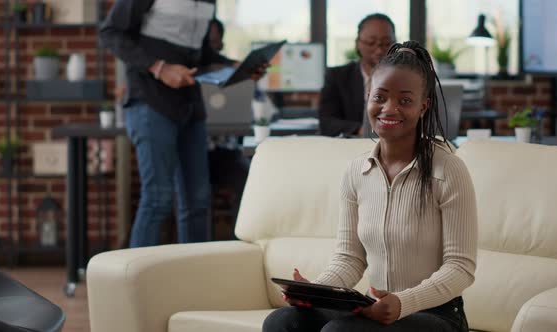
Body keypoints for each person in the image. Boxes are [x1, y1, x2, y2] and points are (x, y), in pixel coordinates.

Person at [263, 41, 478, 332]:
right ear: (368, 97)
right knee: (283, 322)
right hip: (374, 308)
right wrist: (316, 292)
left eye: (404, 100)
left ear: (423, 106)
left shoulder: (448, 169)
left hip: (436, 315)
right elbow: (349, 258)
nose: (389, 108)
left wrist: (402, 302)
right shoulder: (356, 171)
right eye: (381, 97)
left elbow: (460, 268)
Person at [100, 0, 265, 247]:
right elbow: (110, 33)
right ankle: (133, 283)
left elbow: (201, 54)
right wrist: (160, 68)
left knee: (198, 200)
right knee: (157, 198)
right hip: (150, 101)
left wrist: (236, 67)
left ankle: (192, 277)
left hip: (189, 105)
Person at [205, 18, 251, 238]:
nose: (211, 47)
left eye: (215, 42)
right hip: (194, 151)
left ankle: (240, 240)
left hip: (225, 152)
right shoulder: (185, 72)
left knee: (249, 177)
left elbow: (261, 108)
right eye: (206, 42)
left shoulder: (230, 70)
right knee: (192, 191)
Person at [319, 13, 396, 137]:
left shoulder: (406, 79)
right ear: (358, 43)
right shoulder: (337, 76)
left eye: (386, 43)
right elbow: (327, 123)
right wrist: (363, 130)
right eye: (371, 43)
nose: (379, 50)